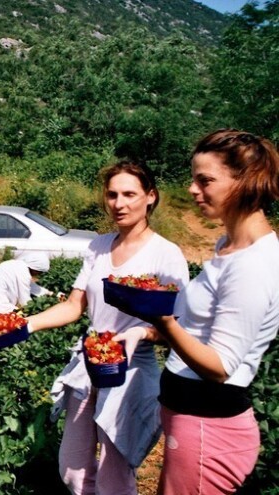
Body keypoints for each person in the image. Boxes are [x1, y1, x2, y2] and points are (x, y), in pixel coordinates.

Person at [25, 160, 189, 494]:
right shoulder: (98, 246)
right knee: (71, 467)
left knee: (114, 472)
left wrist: (141, 332)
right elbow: (74, 305)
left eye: (130, 194)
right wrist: (24, 324)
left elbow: (178, 327)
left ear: (151, 197)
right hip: (90, 360)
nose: (119, 203)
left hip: (132, 368)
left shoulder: (166, 255)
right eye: (112, 194)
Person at [133, 130, 279, 494]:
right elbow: (202, 331)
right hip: (192, 421)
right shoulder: (227, 246)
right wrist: (154, 332)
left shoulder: (253, 265)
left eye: (206, 180)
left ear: (245, 182)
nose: (193, 190)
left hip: (208, 426)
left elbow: (219, 366)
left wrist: (161, 319)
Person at [0, 251, 52, 317]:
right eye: (40, 272)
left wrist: (48, 293)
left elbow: (31, 286)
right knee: (21, 319)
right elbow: (25, 301)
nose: (39, 274)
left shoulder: (16, 265)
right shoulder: (23, 274)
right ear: (35, 268)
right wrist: (36, 312)